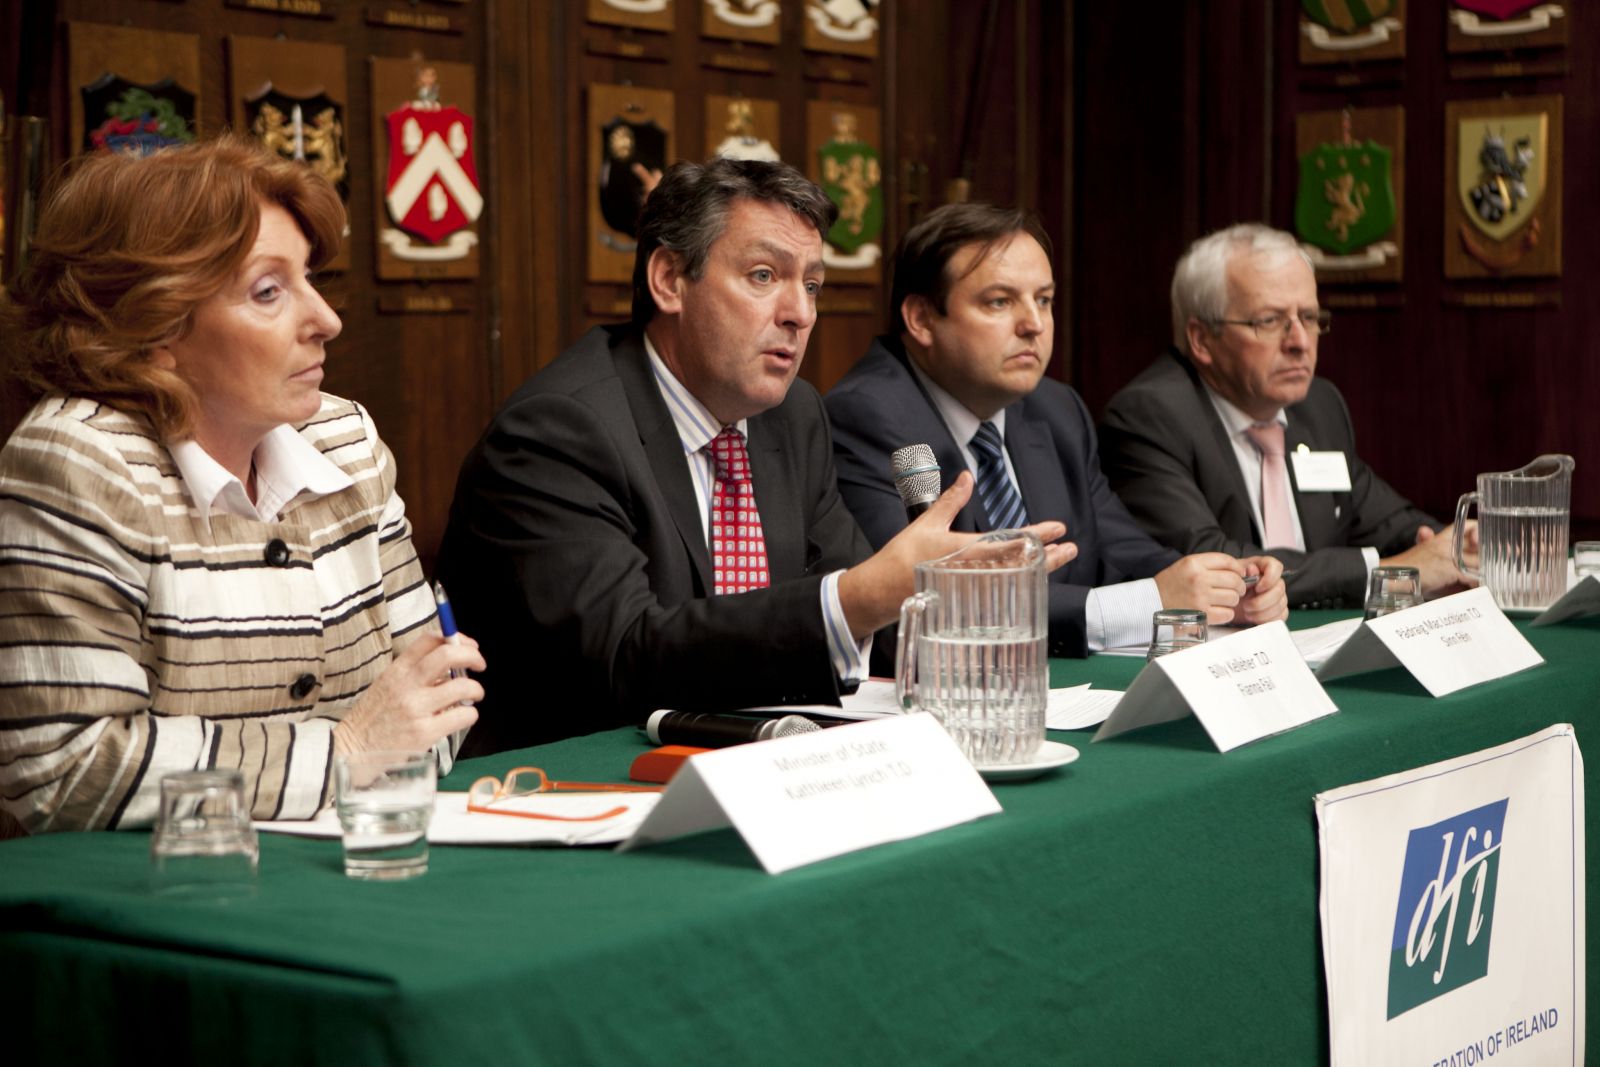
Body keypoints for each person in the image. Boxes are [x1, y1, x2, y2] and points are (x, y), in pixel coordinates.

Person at [436, 160, 1072, 756]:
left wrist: (953, 594)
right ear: (668, 280)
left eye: (813, 285)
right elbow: (625, 658)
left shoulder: (792, 417)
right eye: (764, 277)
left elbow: (847, 603)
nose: (799, 314)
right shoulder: (559, 431)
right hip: (569, 793)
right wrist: (862, 596)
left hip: (755, 765)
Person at [0, 138, 482, 834]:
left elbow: (432, 713)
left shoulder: (345, 440)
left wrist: (379, 745)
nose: (327, 320)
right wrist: (344, 751)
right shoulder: (76, 464)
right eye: (269, 291)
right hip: (163, 904)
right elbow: (62, 768)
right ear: (154, 326)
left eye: (311, 278)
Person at [826, 203, 1286, 658]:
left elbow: (1118, 546)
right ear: (922, 319)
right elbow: (916, 604)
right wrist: (1147, 603)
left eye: (1043, 300)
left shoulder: (1054, 408)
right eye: (1000, 301)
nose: (1034, 324)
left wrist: (1220, 585)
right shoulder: (869, 416)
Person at [1099, 222, 1467, 610]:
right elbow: (1220, 563)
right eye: (1270, 321)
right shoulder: (1150, 417)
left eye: (1309, 318)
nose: (1300, 342)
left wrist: (1455, 544)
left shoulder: (1317, 406)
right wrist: (1390, 570)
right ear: (1202, 339)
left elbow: (1390, 521)